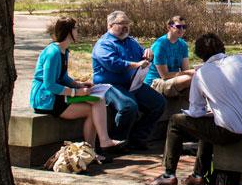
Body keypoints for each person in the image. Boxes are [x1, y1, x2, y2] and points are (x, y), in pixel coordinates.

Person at [149, 33, 242, 185]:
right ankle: (198, 175)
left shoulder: (200, 74)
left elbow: (196, 110)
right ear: (222, 46)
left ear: (200, 54)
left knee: (176, 121)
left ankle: (169, 174)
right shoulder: (240, 60)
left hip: (228, 132)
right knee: (208, 123)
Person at [29, 17, 124, 158]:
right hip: (47, 99)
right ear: (68, 32)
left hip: (58, 96)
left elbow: (63, 77)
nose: (78, 31)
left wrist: (79, 85)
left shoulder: (64, 51)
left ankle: (90, 152)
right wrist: (77, 92)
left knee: (95, 105)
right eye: (76, 28)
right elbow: (50, 84)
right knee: (96, 102)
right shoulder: (53, 53)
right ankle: (104, 141)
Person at [92, 10, 165, 151]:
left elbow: (144, 56)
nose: (126, 26)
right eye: (121, 23)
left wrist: (149, 53)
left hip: (133, 84)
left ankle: (138, 138)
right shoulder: (104, 44)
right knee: (128, 106)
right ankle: (117, 142)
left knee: (159, 103)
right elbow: (113, 64)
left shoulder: (131, 41)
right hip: (110, 85)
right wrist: (135, 65)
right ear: (110, 25)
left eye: (127, 23)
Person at [145, 15, 195, 95]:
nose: (182, 29)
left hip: (171, 79)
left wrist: (192, 72)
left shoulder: (183, 45)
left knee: (196, 79)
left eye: (184, 27)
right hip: (156, 82)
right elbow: (164, 75)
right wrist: (190, 72)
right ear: (169, 27)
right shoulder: (160, 45)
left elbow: (185, 70)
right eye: (178, 26)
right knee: (190, 78)